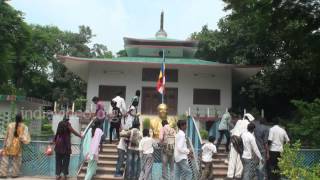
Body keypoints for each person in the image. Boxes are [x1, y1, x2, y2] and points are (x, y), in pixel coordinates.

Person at [0, 113, 30, 178]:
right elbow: (26, 139)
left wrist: (4, 145)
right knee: (16, 161)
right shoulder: (24, 126)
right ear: (21, 118)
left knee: (4, 160)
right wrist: (24, 140)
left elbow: (6, 136)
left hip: (8, 145)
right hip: (17, 146)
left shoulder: (10, 125)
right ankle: (14, 174)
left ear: (15, 118)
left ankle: (3, 174)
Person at [227, 113, 255, 179]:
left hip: (234, 140)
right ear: (249, 119)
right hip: (241, 142)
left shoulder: (239, 121)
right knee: (239, 160)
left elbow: (232, 131)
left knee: (232, 158)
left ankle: (230, 175)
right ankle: (238, 175)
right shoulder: (249, 124)